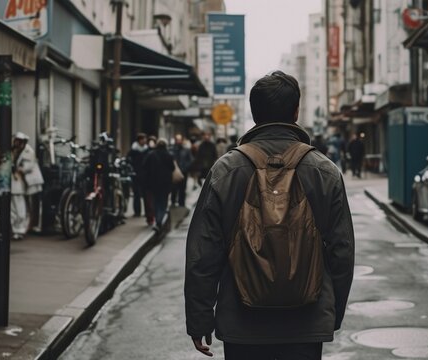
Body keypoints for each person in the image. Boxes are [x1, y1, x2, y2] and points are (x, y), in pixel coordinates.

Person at [185, 71, 355, 360]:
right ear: (296, 111)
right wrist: (332, 312)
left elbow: (203, 253)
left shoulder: (226, 170)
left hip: (241, 323)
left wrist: (200, 319)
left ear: (254, 114)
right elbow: (342, 251)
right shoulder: (324, 171)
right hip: (306, 322)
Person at [11, 132, 44, 240]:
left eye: (18, 141)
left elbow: (27, 166)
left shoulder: (28, 151)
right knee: (15, 207)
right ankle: (17, 229)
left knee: (23, 206)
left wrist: (19, 170)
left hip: (27, 182)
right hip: (17, 183)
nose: (16, 142)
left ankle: (22, 229)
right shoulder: (14, 150)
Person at [127, 133, 148, 217]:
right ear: (139, 140)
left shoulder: (147, 150)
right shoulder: (133, 150)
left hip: (145, 175)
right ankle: (137, 211)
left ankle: (147, 212)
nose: (144, 141)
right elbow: (128, 160)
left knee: (146, 194)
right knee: (137, 194)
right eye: (143, 139)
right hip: (135, 174)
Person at [170, 134, 193, 207]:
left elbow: (191, 160)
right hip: (174, 173)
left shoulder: (186, 150)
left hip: (183, 173)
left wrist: (185, 168)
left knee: (182, 190)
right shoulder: (172, 149)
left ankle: (181, 204)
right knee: (174, 189)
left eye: (180, 139)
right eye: (177, 140)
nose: (179, 141)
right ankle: (173, 203)